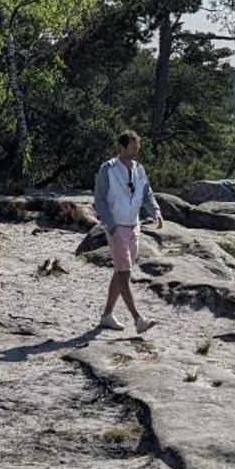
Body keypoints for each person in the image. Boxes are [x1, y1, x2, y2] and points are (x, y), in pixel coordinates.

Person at [92, 129, 162, 333]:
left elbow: (147, 193)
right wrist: (111, 225)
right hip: (117, 227)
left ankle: (107, 316)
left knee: (120, 272)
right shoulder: (108, 169)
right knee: (124, 273)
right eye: (132, 147)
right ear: (122, 147)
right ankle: (138, 319)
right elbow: (100, 199)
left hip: (134, 225)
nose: (136, 151)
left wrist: (156, 211)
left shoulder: (139, 169)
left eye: (137, 147)